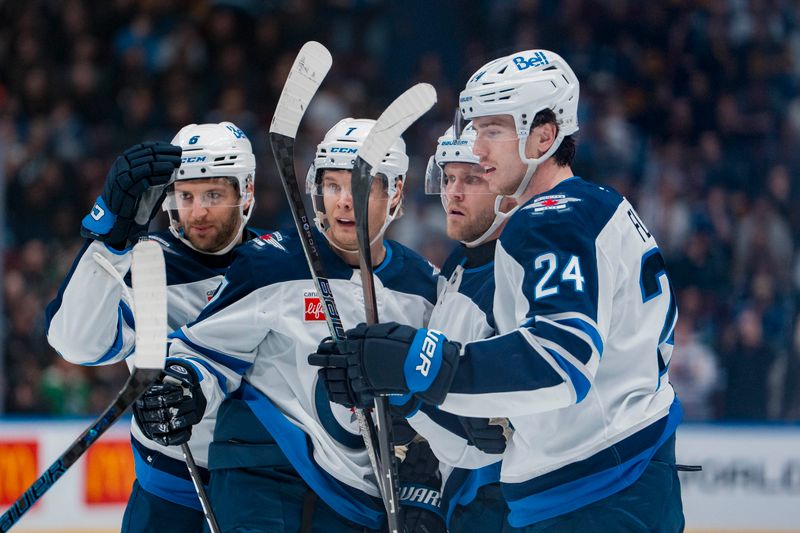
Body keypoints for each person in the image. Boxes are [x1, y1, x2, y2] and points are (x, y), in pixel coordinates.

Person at [311, 49, 685, 532]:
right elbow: (490, 429)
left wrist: (419, 364)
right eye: (475, 128)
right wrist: (405, 391)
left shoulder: (552, 217)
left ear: (545, 136)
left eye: (493, 130)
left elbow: (561, 362)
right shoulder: (591, 206)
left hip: (599, 490)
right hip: (604, 483)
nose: (478, 146)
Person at [131, 118, 440, 531]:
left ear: (396, 190)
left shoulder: (424, 286)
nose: (344, 201)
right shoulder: (273, 262)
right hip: (264, 468)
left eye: (361, 185)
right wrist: (181, 386)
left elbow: (433, 397)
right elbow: (205, 352)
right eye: (333, 186)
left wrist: (424, 484)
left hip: (360, 492)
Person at [45, 121, 261, 533]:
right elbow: (76, 344)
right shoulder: (144, 262)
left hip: (265, 492)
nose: (197, 212)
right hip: (168, 493)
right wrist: (109, 240)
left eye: (213, 194)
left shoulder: (279, 265)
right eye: (186, 195)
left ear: (245, 191)